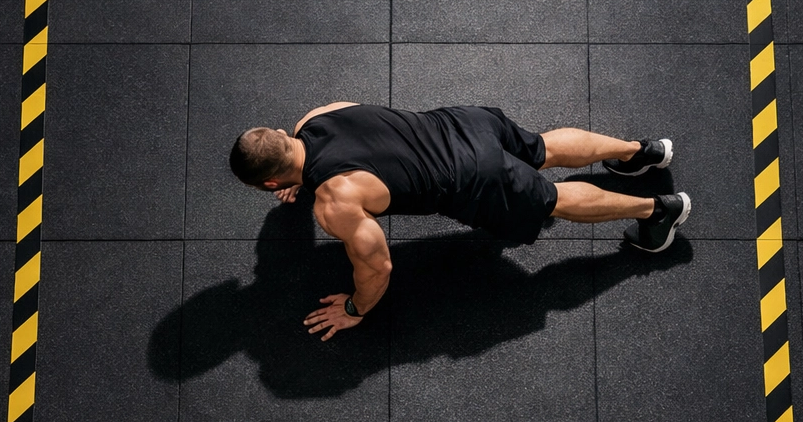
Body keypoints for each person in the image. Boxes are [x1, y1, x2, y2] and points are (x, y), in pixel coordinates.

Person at [229, 103, 690, 341]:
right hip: (464, 123)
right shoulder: (317, 116)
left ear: (270, 184)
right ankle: (643, 151)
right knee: (542, 148)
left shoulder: (334, 204)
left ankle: (657, 211)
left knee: (552, 200)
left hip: (473, 177)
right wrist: (301, 178)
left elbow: (378, 269)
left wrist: (355, 309)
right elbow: (355, 149)